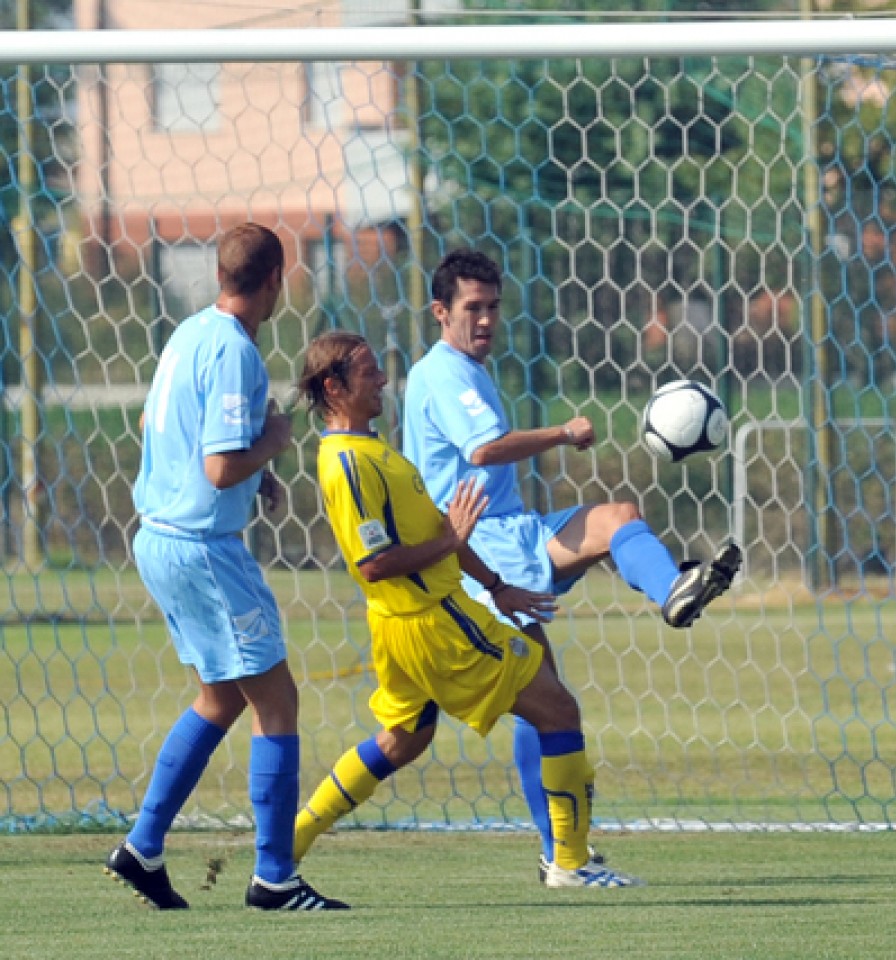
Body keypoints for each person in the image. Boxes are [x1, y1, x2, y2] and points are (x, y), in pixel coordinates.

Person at [399, 249, 741, 882]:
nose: (485, 321)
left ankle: (672, 590)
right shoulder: (444, 373)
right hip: (482, 545)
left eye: (493, 308)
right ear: (440, 311)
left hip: (507, 534)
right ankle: (564, 857)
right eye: (472, 308)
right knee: (536, 706)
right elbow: (482, 448)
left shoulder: (463, 369)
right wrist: (562, 433)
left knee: (615, 522)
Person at [290, 330, 641, 889]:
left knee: (402, 739)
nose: (382, 380)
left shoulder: (375, 449)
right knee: (557, 711)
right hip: (430, 621)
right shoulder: (348, 465)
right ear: (333, 386)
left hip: (406, 624)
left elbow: (439, 529)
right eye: (369, 371)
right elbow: (375, 564)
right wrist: (453, 543)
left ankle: (293, 840)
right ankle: (570, 865)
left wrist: (496, 583)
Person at [105, 223, 347, 911]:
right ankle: (276, 878)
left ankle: (142, 848)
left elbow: (187, 442)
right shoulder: (237, 352)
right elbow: (217, 467)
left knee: (221, 696)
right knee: (278, 702)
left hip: (159, 536)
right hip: (203, 547)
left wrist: (254, 479)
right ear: (273, 278)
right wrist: (271, 445)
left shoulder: (190, 333)